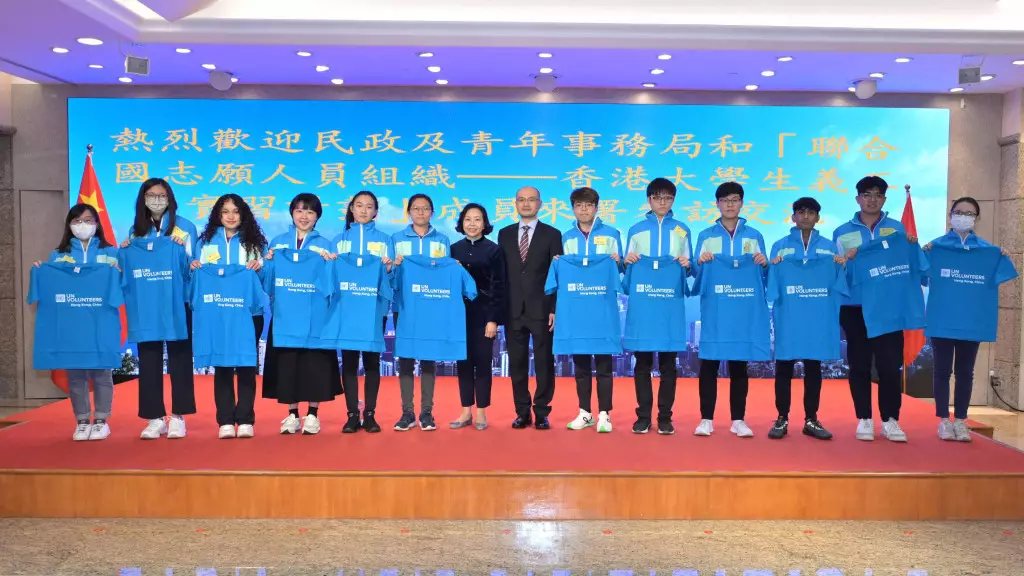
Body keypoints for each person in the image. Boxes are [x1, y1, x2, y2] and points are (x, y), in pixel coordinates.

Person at [924, 197, 1018, 442]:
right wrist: (922, 253)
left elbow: (1005, 271)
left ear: (976, 218)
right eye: (959, 212)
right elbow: (920, 275)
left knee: (966, 372)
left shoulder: (988, 251)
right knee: (942, 371)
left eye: (969, 213)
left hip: (972, 320)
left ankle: (961, 421)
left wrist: (1001, 256)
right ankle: (944, 421)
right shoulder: (935, 248)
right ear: (950, 215)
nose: (964, 217)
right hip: (942, 319)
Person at [833, 176, 917, 443]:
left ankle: (891, 420)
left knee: (889, 366)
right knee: (858, 366)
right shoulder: (841, 232)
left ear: (884, 199)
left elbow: (907, 265)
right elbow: (837, 271)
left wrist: (912, 245)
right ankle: (864, 418)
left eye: (878, 195)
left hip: (888, 307)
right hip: (855, 307)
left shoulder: (897, 229)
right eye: (867, 194)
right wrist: (844, 261)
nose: (872, 199)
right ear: (858, 198)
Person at [33, 203, 120, 441]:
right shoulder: (58, 255)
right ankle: (82, 420)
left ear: (97, 224)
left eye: (88, 220)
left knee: (102, 371)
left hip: (101, 321)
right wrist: (41, 271)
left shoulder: (112, 253)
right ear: (69, 225)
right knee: (76, 373)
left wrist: (119, 272)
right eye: (77, 220)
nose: (83, 225)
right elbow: (51, 287)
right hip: (71, 324)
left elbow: (123, 287)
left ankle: (101, 420)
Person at [123, 178, 198, 440]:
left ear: (170, 198)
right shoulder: (136, 231)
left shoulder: (185, 228)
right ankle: (154, 418)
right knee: (149, 358)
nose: (157, 200)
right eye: (151, 195)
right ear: (143, 199)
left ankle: (178, 416)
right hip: (146, 303)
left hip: (178, 300)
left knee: (180, 357)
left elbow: (193, 265)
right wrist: (124, 251)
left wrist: (182, 255)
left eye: (161, 195)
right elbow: (130, 267)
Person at [767, 197, 845, 441]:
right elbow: (770, 282)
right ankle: (782, 418)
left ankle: (811, 419)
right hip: (788, 317)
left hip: (816, 319)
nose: (805, 216)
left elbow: (840, 281)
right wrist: (772, 266)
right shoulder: (779, 247)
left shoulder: (830, 248)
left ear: (817, 217)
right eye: (800, 212)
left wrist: (840, 264)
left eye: (811, 212)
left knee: (813, 368)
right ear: (793, 217)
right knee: (783, 368)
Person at [694, 182, 767, 438]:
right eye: (725, 200)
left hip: (742, 312)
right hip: (715, 310)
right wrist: (700, 262)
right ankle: (706, 419)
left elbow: (763, 276)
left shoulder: (754, 236)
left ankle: (738, 419)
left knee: (739, 365)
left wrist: (764, 264)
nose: (730, 204)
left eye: (734, 199)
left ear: (742, 203)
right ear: (717, 204)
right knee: (709, 365)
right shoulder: (706, 236)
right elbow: (696, 273)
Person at [192, 194, 267, 439]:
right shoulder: (205, 243)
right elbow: (194, 278)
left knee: (246, 364)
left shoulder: (255, 243)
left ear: (243, 214)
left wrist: (261, 267)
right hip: (218, 313)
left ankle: (245, 419)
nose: (231, 216)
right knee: (222, 364)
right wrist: (193, 268)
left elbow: (266, 279)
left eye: (236, 211)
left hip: (249, 314)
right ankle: (225, 419)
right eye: (225, 211)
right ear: (218, 215)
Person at [264, 193, 339, 435]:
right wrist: (267, 262)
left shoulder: (326, 245)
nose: (304, 216)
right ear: (292, 213)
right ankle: (292, 415)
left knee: (313, 365)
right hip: (285, 314)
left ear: (317, 216)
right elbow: (268, 283)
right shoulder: (278, 243)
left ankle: (313, 414)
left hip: (316, 316)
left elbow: (332, 282)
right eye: (299, 210)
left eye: (310, 211)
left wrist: (331, 263)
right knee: (288, 365)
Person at [623, 178, 693, 435]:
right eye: (657, 197)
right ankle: (643, 417)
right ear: (649, 200)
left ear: (673, 200)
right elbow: (626, 271)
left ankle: (665, 417)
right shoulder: (635, 230)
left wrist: (687, 264)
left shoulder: (682, 230)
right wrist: (627, 261)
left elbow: (690, 268)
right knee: (642, 363)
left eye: (668, 198)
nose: (663, 202)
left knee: (668, 364)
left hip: (669, 308)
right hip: (643, 307)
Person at [497, 186, 563, 430]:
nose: (526, 204)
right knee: (517, 363)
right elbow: (502, 274)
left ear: (540, 204)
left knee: (544, 362)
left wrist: (554, 308)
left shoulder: (552, 234)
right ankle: (522, 412)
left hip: (542, 309)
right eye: (521, 200)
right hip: (513, 309)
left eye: (531, 200)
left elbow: (557, 275)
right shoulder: (504, 234)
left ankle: (542, 411)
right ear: (515, 203)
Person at [560, 187, 622, 433]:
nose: (584, 209)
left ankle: (605, 414)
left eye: (588, 205)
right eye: (579, 205)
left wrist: (619, 261)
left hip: (603, 309)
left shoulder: (612, 234)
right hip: (577, 310)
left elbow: (621, 269)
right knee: (581, 365)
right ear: (573, 208)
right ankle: (585, 412)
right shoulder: (566, 237)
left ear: (597, 207)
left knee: (604, 364)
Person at [333, 190, 394, 434]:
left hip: (374, 310)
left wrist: (389, 268)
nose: (364, 210)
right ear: (351, 209)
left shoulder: (385, 240)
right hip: (346, 310)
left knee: (371, 361)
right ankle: (351, 415)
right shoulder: (339, 240)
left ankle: (369, 414)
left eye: (369, 206)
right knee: (348, 361)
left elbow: (390, 276)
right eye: (359, 205)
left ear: (376, 211)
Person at [391, 193, 451, 431]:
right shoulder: (396, 239)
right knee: (405, 359)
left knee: (428, 360)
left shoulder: (442, 240)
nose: (420, 212)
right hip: (404, 306)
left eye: (425, 208)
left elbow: (445, 275)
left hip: (431, 308)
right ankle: (407, 413)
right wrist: (393, 266)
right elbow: (389, 275)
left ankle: (427, 412)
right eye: (416, 208)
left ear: (432, 213)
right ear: (409, 212)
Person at [450, 203, 505, 431]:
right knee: (462, 363)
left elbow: (498, 286)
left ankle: (481, 412)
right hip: (458, 315)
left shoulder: (494, 250)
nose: (472, 224)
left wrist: (493, 319)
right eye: (468, 219)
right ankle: (465, 411)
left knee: (482, 363)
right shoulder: (453, 249)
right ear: (461, 223)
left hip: (484, 315)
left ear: (485, 223)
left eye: (477, 219)